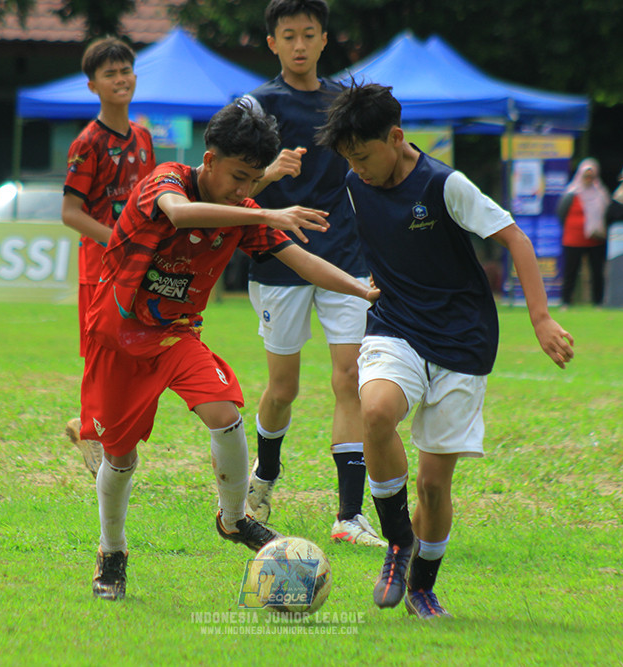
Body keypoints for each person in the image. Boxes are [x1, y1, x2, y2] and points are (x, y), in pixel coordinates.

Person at [80, 100, 380, 601]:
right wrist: (263, 208)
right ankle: (112, 551)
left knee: (224, 412)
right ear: (209, 158)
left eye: (254, 179)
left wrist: (361, 289)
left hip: (175, 336)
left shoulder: (242, 213)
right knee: (120, 457)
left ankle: (235, 518)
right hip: (117, 337)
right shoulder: (167, 181)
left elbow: (302, 261)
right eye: (239, 177)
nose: (244, 190)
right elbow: (178, 214)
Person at [315, 82, 573, 620]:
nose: (357, 169)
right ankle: (395, 543)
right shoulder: (354, 182)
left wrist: (542, 320)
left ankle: (422, 588)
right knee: (377, 410)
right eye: (349, 159)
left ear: (397, 137)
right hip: (395, 326)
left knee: (434, 485)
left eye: (364, 156)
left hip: (462, 340)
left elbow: (517, 241)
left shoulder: (445, 185)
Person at [241, 0, 384, 548]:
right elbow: (229, 194)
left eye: (309, 34)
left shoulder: (344, 105)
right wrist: (269, 172)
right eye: (288, 36)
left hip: (345, 256)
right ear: (272, 43)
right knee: (284, 387)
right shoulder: (255, 109)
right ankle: (266, 473)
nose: (299, 45)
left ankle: (349, 515)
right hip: (277, 260)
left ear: (325, 40)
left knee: (350, 379)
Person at [62, 37, 156, 478]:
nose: (120, 79)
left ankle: (97, 428)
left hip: (137, 268)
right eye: (110, 74)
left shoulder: (142, 136)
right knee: (99, 354)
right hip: (99, 268)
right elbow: (70, 213)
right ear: (92, 86)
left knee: (135, 352)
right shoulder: (87, 143)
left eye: (125, 71)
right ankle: (94, 437)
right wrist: (118, 240)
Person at [557, 158, 611, 307]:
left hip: (595, 238)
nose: (588, 179)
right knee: (571, 271)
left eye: (591, 176)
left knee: (597, 271)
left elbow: (607, 214)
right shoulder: (571, 194)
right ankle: (566, 301)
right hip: (574, 239)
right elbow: (561, 214)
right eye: (586, 176)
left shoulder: (601, 194)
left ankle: (598, 302)